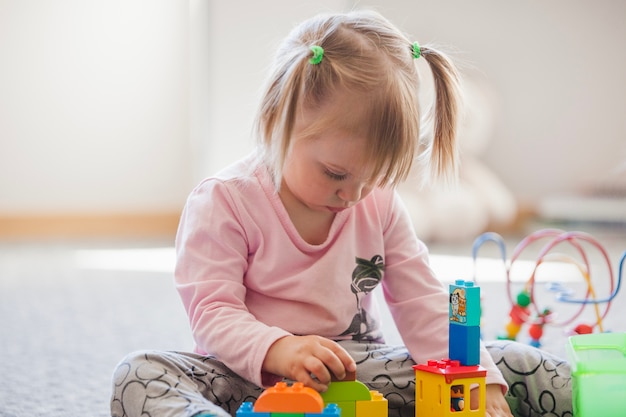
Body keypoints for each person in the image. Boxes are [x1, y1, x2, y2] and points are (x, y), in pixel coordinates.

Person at [111, 10, 571, 417]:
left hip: (351, 378)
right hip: (244, 381)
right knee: (139, 373)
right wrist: (279, 348)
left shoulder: (381, 203)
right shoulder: (223, 202)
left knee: (513, 361)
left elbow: (423, 301)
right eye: (335, 174)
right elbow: (213, 312)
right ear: (278, 121)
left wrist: (480, 380)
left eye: (372, 178)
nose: (352, 196)